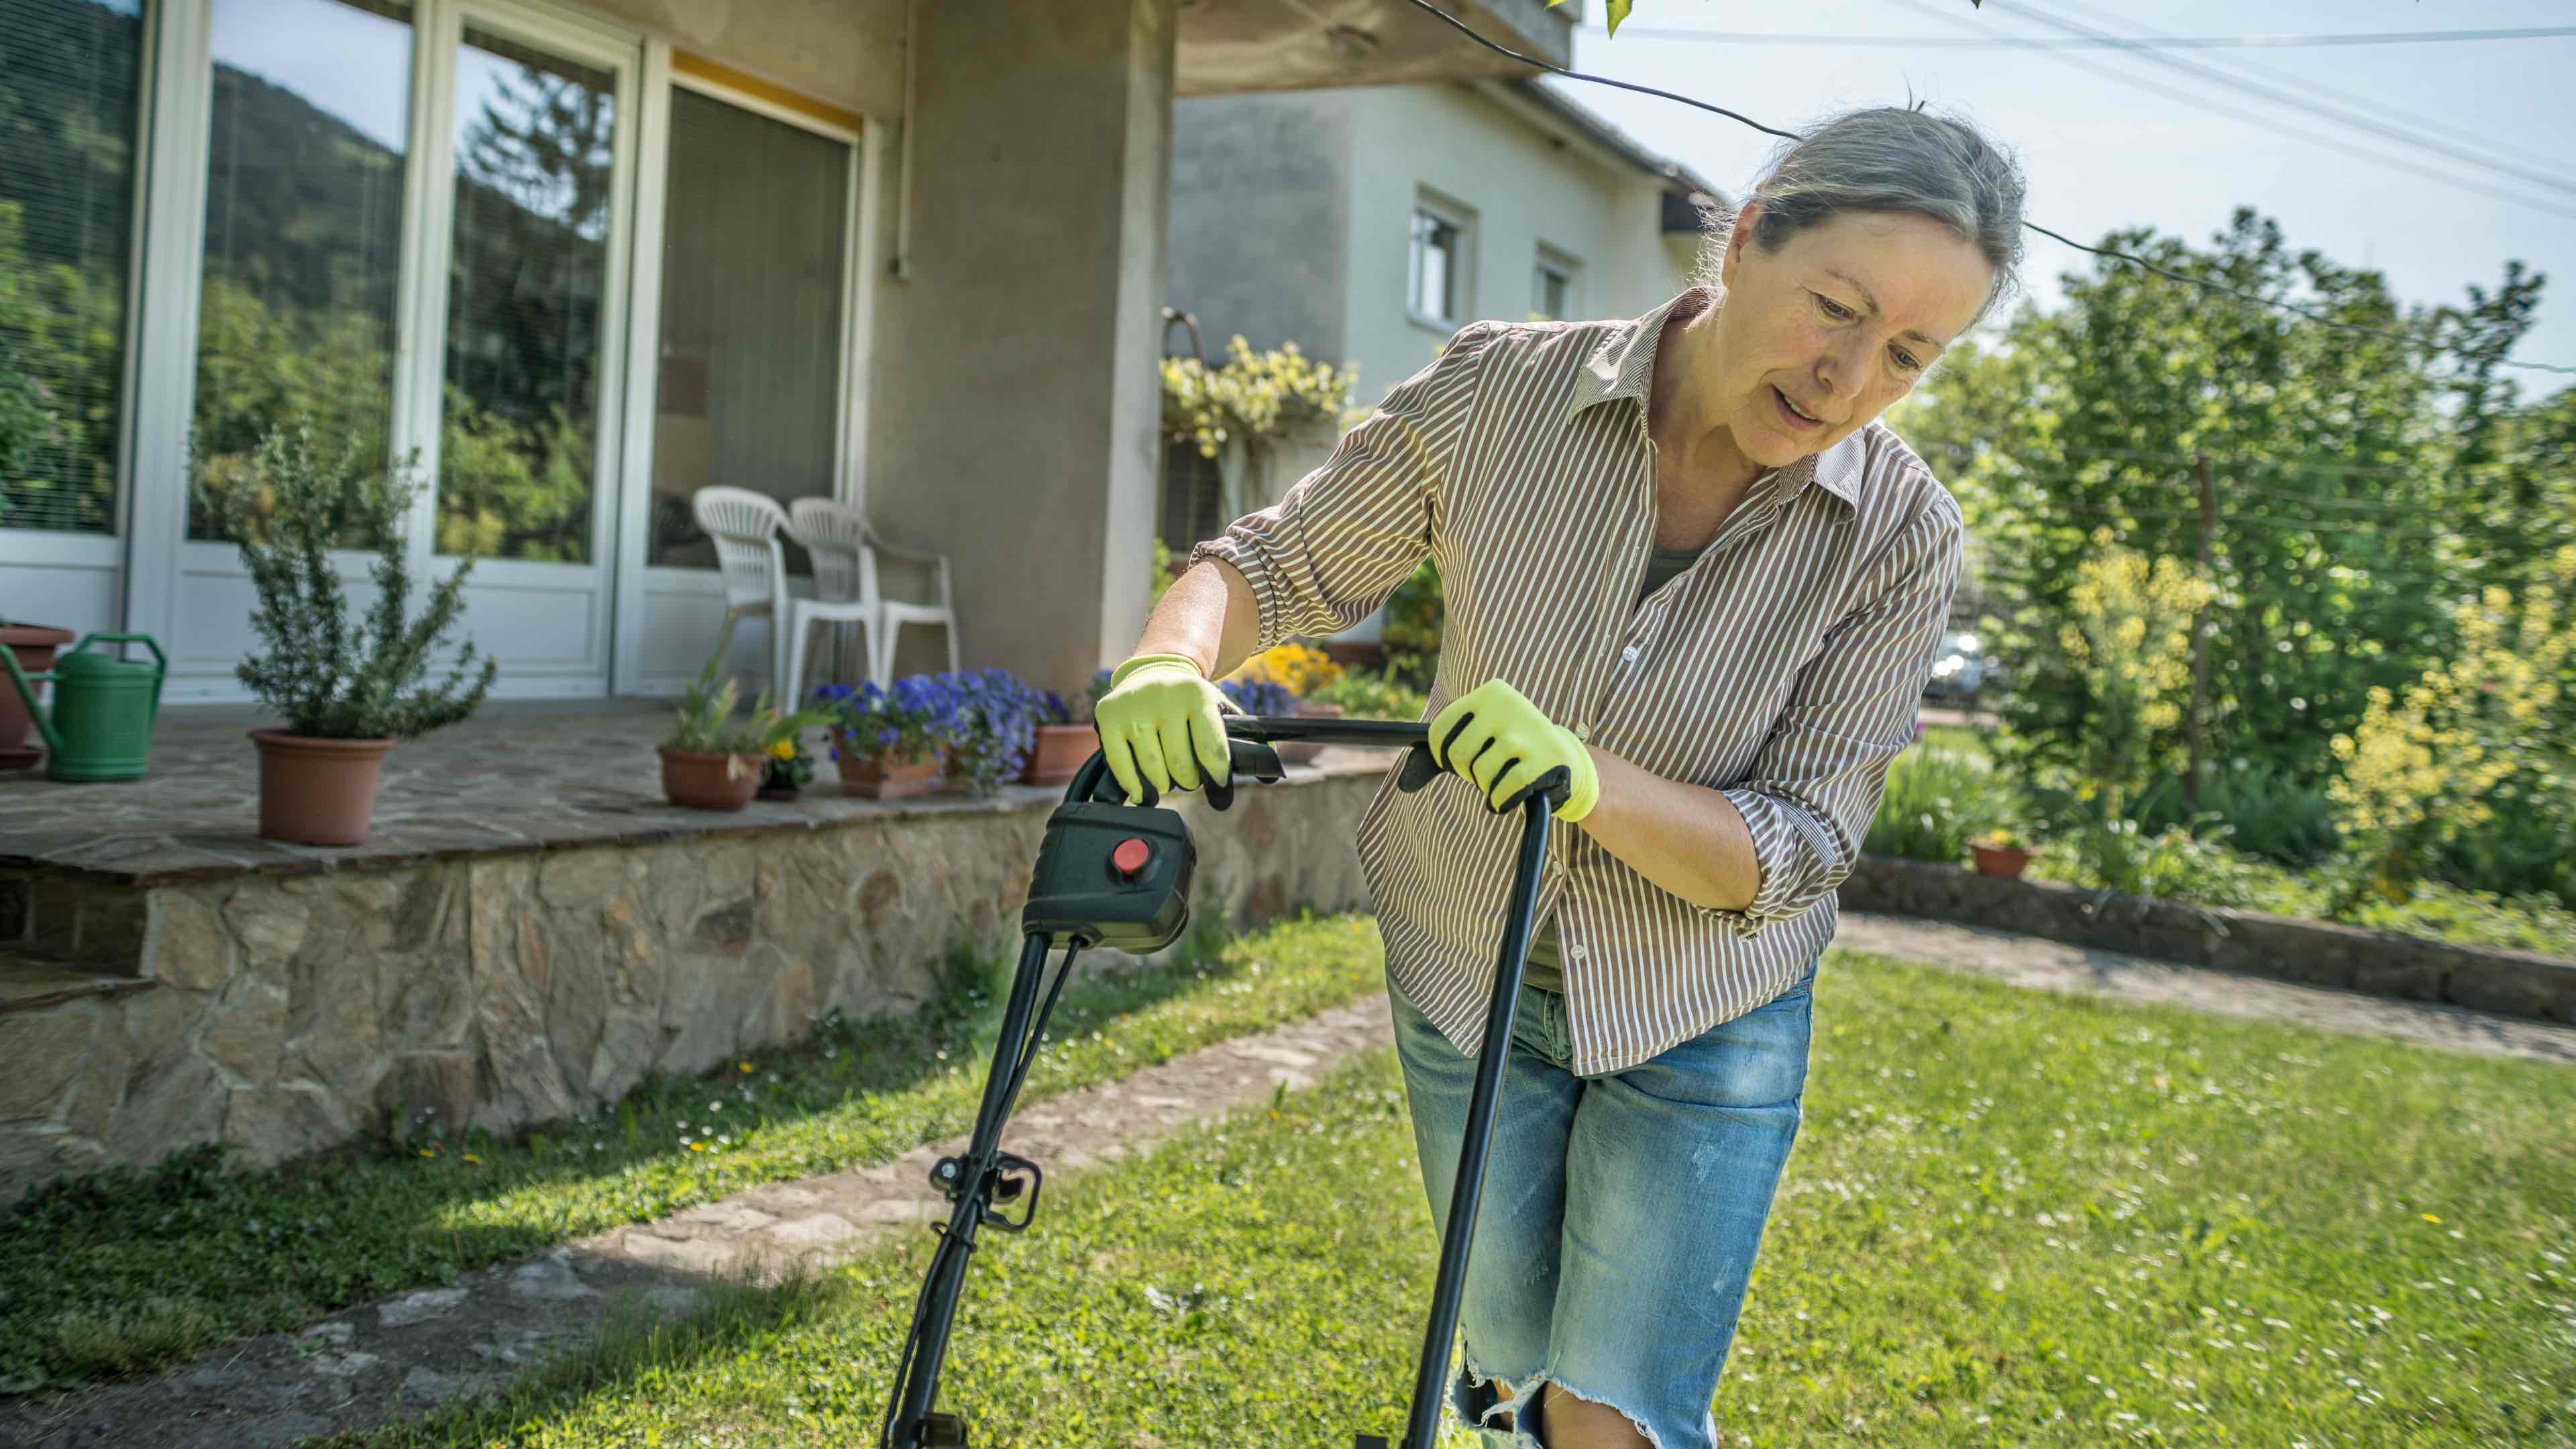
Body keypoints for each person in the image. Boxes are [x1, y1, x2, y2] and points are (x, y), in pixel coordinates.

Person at [1093, 103, 2025, 1449]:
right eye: (1836, 307)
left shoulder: (1899, 536)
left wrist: (1590, 779)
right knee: (1513, 1375)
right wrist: (1170, 661)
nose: (1847, 380)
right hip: (1468, 966)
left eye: (1907, 357)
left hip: (1703, 1003)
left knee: (1612, 1416)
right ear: (1749, 236)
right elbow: (1279, 566)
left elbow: (1805, 848)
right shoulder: (1497, 393)